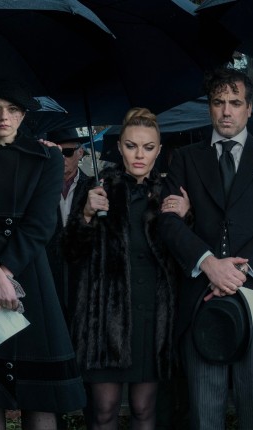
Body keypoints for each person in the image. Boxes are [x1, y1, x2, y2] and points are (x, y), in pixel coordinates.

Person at [158, 67, 253, 430]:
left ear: (249, 108)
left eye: (235, 103)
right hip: (201, 300)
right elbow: (168, 222)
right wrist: (208, 263)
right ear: (209, 107)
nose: (226, 111)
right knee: (204, 416)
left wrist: (237, 271)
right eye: (218, 102)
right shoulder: (185, 158)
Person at [0, 78, 86, 430]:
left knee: (40, 396)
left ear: (22, 116)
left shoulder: (48, 157)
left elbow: (41, 224)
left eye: (11, 110)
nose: (3, 117)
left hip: (29, 277)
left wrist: (5, 276)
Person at [62, 108, 189, 430]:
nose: (139, 155)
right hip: (104, 320)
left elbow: (185, 260)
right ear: (119, 147)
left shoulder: (169, 194)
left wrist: (185, 220)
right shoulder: (98, 187)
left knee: (144, 409)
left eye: (148, 147)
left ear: (159, 150)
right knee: (104, 410)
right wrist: (86, 215)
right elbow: (70, 252)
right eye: (132, 146)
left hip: (152, 319)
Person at [44, 125, 90, 326]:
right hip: (49, 274)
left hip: (82, 276)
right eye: (56, 152)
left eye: (68, 152)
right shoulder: (40, 187)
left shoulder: (94, 187)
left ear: (80, 152)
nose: (62, 158)